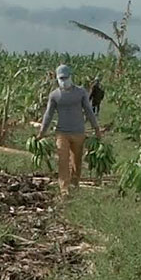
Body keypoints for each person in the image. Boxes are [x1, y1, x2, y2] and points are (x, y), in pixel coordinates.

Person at [37, 64, 101, 196]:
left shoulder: (80, 92)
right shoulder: (54, 95)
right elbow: (48, 115)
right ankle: (64, 189)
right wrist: (42, 132)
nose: (64, 81)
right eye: (61, 78)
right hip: (62, 132)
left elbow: (89, 111)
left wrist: (96, 128)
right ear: (57, 79)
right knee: (63, 159)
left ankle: (75, 183)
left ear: (71, 77)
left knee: (76, 160)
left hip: (78, 132)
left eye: (66, 78)